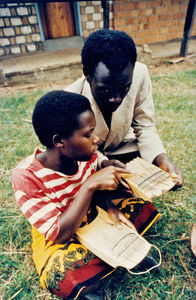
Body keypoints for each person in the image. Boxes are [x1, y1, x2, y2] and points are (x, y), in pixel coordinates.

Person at [12, 90, 160, 299]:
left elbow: (99, 182)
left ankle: (113, 251)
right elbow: (59, 233)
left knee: (141, 206)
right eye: (88, 134)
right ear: (59, 141)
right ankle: (109, 256)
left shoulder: (85, 154)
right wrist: (90, 185)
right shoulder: (27, 177)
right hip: (60, 229)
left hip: (91, 212)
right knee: (60, 273)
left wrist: (110, 204)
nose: (97, 139)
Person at [65, 29, 183, 188]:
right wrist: (102, 162)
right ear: (87, 75)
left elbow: (144, 125)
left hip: (122, 147)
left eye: (125, 88)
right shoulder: (70, 98)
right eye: (106, 90)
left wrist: (161, 157)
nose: (116, 98)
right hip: (87, 155)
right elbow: (75, 147)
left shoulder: (140, 74)